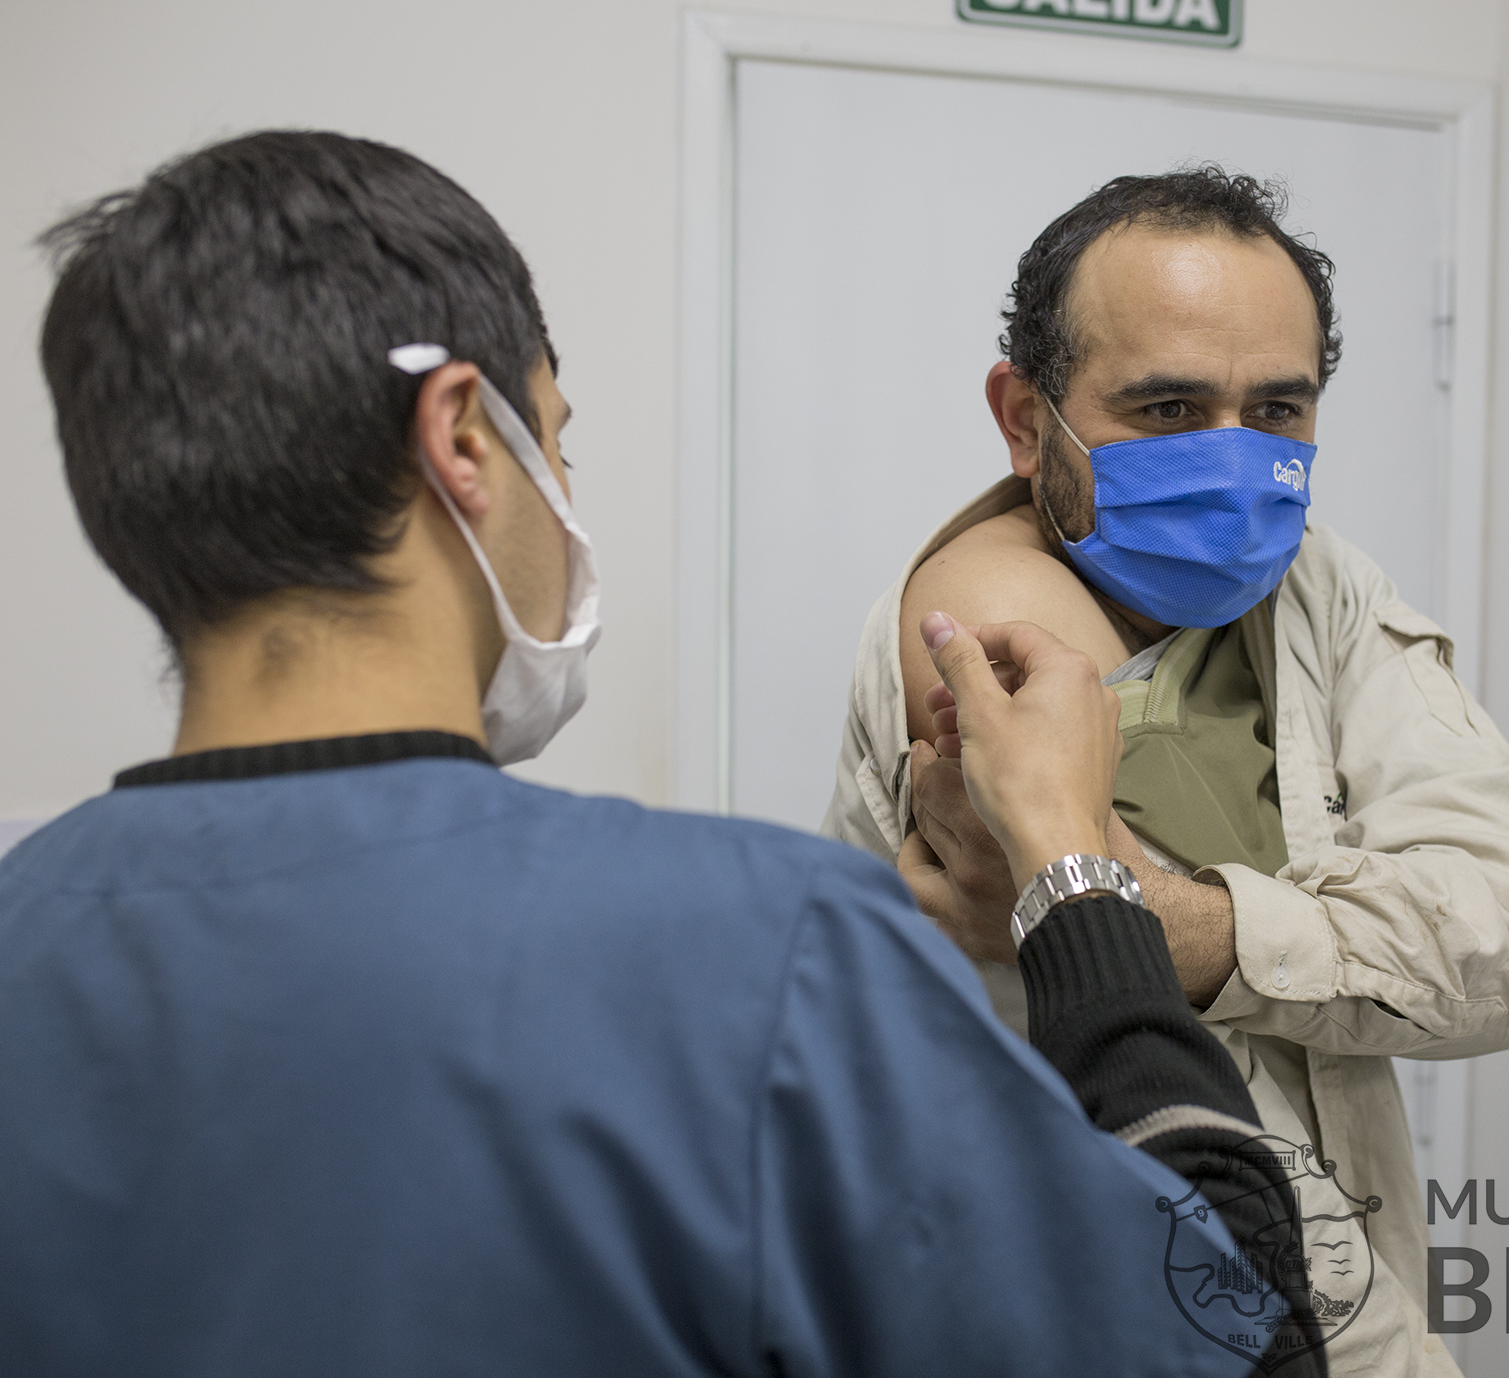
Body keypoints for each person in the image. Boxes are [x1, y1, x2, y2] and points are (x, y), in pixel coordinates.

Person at [0, 132, 1329, 1376]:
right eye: (555, 438)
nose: (565, 492)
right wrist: (1075, 873)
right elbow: (1232, 1332)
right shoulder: (755, 946)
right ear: (462, 439)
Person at [824, 167, 1509, 1376]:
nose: (1232, 462)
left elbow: (1505, 946)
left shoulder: (1324, 590)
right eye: (1168, 408)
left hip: (1348, 1317)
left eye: (1276, 409)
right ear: (1026, 420)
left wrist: (1163, 922)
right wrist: (1154, 915)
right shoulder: (981, 629)